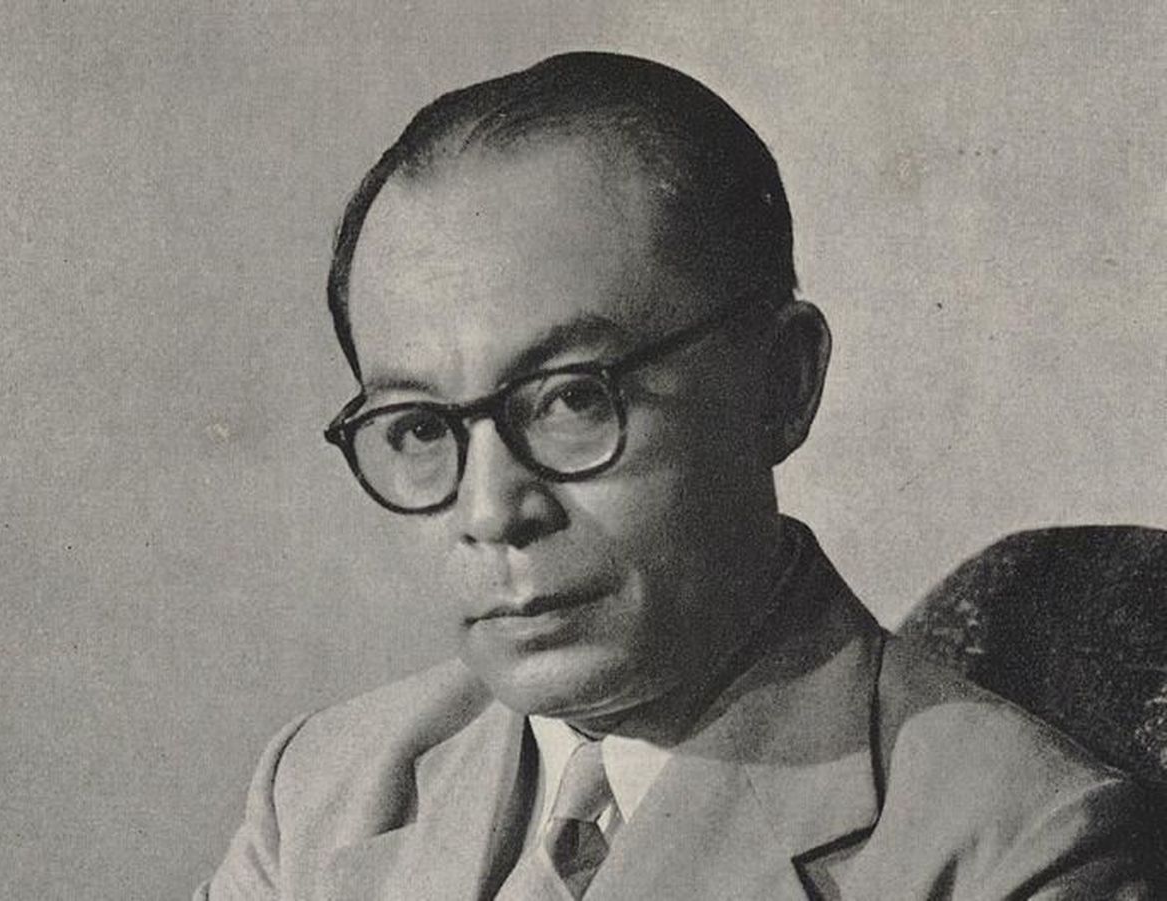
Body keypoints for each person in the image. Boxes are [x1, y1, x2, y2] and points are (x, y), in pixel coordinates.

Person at [198, 52, 1158, 899]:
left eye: (571, 398)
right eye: (417, 426)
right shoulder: (320, 793)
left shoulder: (1022, 853)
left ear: (781, 384)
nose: (491, 510)